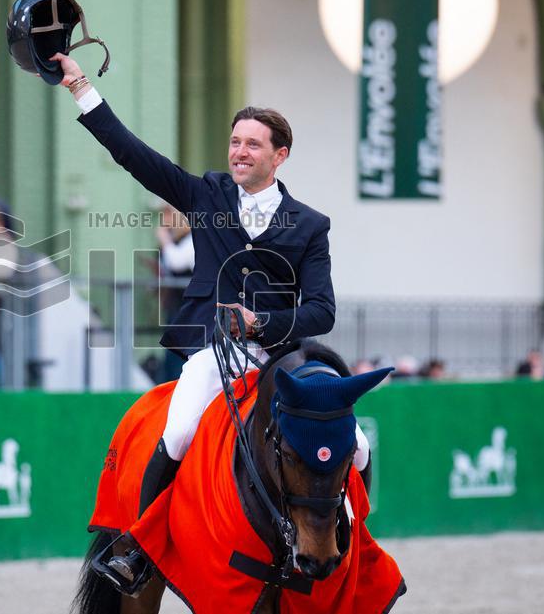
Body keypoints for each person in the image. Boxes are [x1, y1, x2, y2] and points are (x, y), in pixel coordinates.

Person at [47, 53, 339, 590]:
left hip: (279, 356)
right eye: (235, 142)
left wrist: (263, 322)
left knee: (354, 444)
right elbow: (134, 155)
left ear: (280, 155)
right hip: (213, 353)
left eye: (253, 143)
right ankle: (138, 548)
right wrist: (80, 88)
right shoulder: (206, 195)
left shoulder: (311, 225)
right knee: (179, 429)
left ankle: (348, 545)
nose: (239, 152)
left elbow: (323, 310)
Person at [155, 203, 195, 383]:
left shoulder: (194, 238)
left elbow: (177, 262)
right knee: (171, 357)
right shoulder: (179, 240)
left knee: (180, 359)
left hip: (189, 313)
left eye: (169, 215)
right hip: (176, 309)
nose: (165, 222)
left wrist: (165, 240)